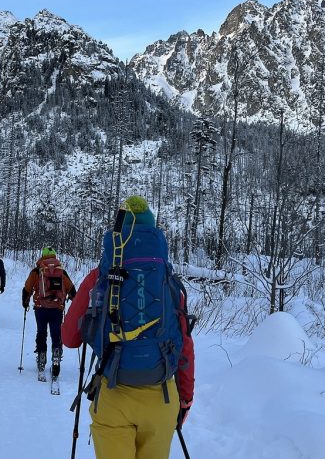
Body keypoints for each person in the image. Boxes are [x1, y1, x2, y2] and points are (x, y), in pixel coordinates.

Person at [62, 196, 195, 459]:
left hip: (114, 396)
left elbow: (69, 338)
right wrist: (185, 399)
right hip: (161, 399)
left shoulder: (100, 277)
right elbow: (185, 346)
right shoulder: (168, 281)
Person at [21, 246, 76, 381]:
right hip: (57, 307)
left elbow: (27, 288)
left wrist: (25, 302)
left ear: (43, 255)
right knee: (56, 333)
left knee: (41, 332)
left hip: (40, 307)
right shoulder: (61, 271)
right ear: (54, 256)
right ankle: (56, 356)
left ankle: (41, 357)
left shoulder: (37, 270)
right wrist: (74, 302)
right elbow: (71, 289)